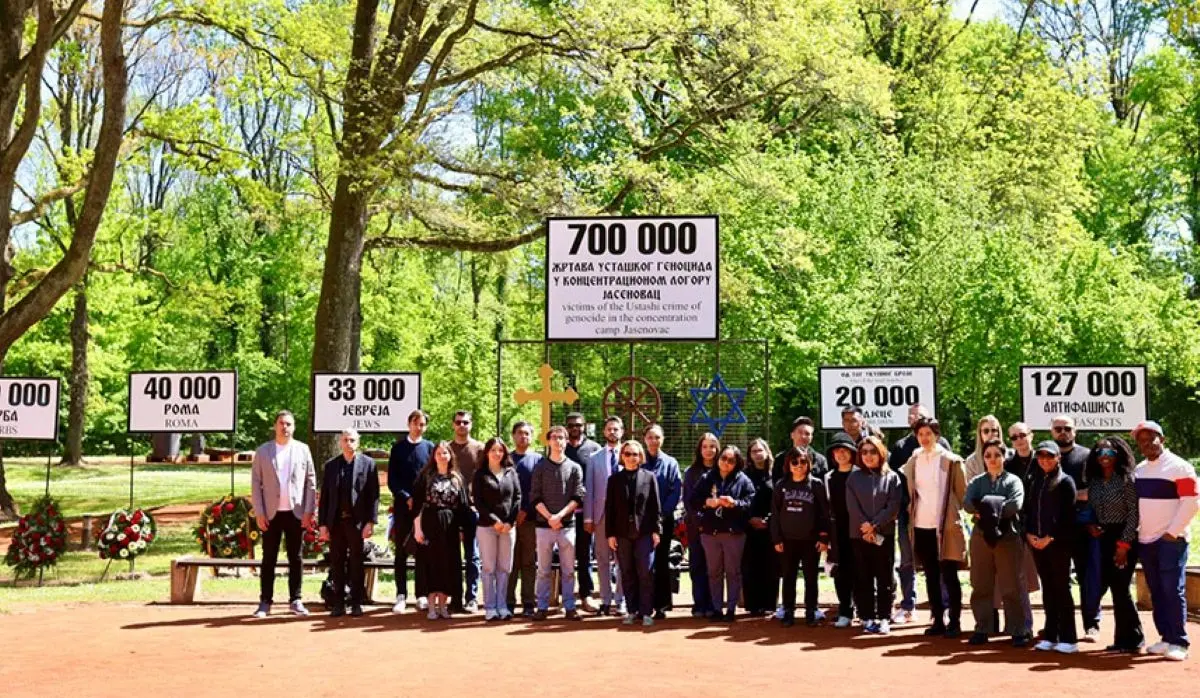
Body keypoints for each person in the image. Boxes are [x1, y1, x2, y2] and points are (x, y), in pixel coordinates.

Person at [1132, 420, 1198, 661]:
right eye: (1142, 440)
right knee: (1157, 591)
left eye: (1152, 438)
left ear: (1163, 439)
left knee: (1173, 589)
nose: (1148, 443)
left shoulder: (1180, 467)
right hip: (1146, 540)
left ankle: (1179, 641)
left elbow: (1191, 502)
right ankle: (1166, 638)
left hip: (1172, 540)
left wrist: (1172, 532)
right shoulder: (1139, 470)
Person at [901, 417, 967, 638]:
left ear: (937, 435)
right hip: (921, 526)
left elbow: (962, 494)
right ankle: (937, 619)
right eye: (920, 434)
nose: (924, 438)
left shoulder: (951, 460)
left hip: (945, 527)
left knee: (949, 574)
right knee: (930, 574)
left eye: (928, 433)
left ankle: (955, 621)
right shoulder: (914, 460)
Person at [250, 410, 317, 618]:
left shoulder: (303, 450)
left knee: (296, 557)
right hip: (271, 513)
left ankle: (295, 599)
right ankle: (265, 602)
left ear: (294, 427)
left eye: (288, 424)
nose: (284, 427)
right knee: (268, 557)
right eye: (281, 423)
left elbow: (311, 482)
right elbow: (255, 483)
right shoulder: (262, 452)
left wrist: (309, 511)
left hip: (296, 513)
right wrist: (259, 512)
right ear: (275, 426)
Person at [888, 404, 950, 625]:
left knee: (941, 561)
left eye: (921, 416)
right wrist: (900, 507)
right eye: (912, 417)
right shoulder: (901, 447)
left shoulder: (943, 447)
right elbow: (893, 481)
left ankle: (943, 607)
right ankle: (908, 606)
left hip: (938, 516)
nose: (916, 420)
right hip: (909, 514)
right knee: (906, 561)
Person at [964, 439, 1030, 647]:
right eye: (988, 455)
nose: (992, 459)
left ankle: (1018, 629)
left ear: (1004, 457)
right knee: (980, 583)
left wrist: (984, 507)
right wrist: (994, 505)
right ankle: (983, 627)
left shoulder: (1013, 481)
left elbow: (1015, 505)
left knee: (1011, 584)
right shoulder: (977, 482)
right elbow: (967, 504)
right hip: (981, 537)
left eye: (997, 455)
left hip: (1007, 536)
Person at [1084, 435, 1143, 652]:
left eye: (1109, 452)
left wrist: (1124, 545)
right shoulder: (1096, 481)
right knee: (1115, 589)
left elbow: (1134, 514)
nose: (1104, 457)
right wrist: (1092, 525)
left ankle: (1135, 638)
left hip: (1123, 537)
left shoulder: (1126, 479)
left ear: (1118, 455)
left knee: (1121, 588)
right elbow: (1092, 509)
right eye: (1100, 452)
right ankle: (1122, 640)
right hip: (1103, 537)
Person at [1023, 440, 1079, 653]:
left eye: (1050, 456)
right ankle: (1051, 635)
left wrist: (1050, 537)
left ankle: (1069, 639)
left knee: (1061, 589)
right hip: (1036, 544)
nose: (1045, 460)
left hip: (1058, 544)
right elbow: (1028, 510)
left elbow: (1067, 516)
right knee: (1048, 589)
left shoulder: (1066, 482)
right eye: (1041, 456)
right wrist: (1029, 534)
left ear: (1058, 458)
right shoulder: (1034, 481)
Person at [318, 428, 379, 617]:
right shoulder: (331, 466)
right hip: (336, 522)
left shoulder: (368, 464)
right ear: (340, 442)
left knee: (356, 563)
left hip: (357, 522)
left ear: (358, 442)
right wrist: (322, 525)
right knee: (337, 563)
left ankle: (356, 602)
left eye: (352, 440)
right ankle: (338, 603)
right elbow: (325, 498)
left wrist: (371, 521)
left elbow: (374, 496)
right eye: (345, 440)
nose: (348, 443)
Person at [690, 445, 756, 621]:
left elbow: (750, 503)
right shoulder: (707, 478)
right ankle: (717, 608)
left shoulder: (743, 480)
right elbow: (692, 500)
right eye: (723, 458)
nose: (726, 463)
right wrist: (707, 502)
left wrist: (734, 503)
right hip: (710, 533)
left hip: (734, 533)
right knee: (713, 572)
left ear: (737, 463)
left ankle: (731, 609)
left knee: (733, 572)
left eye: (731, 460)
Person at [846, 435, 903, 635]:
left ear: (880, 453)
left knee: (884, 578)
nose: (868, 456)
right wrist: (865, 526)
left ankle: (884, 617)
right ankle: (867, 617)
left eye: (872, 451)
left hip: (884, 535)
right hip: (859, 535)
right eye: (864, 452)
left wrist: (875, 525)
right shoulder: (853, 478)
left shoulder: (892, 477)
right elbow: (852, 506)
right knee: (863, 577)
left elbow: (893, 506)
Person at [1051, 414, 1100, 639]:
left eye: (1067, 428)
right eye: (1058, 428)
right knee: (1057, 579)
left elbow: (1095, 491)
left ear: (1075, 431)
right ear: (1051, 432)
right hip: (1054, 528)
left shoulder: (1088, 456)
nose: (1063, 432)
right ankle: (1059, 624)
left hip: (1082, 525)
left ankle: (1092, 624)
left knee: (1086, 576)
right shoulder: (1045, 456)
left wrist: (1067, 496)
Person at [531, 425, 586, 621]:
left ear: (566, 441)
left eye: (561, 437)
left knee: (569, 570)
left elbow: (578, 496)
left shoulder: (574, 468)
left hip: (567, 526)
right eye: (554, 437)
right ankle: (542, 607)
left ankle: (570, 606)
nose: (558, 441)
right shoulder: (540, 467)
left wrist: (559, 517)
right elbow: (534, 497)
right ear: (548, 441)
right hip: (543, 526)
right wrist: (549, 518)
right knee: (543, 570)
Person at [606, 439, 662, 626]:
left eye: (635, 454)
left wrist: (656, 530)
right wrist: (610, 534)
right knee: (627, 572)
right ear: (622, 456)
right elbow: (610, 509)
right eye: (627, 454)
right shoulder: (614, 480)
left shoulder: (649, 477)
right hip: (622, 534)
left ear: (641, 457)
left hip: (644, 532)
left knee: (645, 572)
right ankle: (632, 610)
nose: (631, 457)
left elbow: (655, 507)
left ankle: (646, 611)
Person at [771, 447, 830, 627]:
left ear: (809, 464)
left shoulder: (816, 485)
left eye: (803, 462)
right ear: (788, 464)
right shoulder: (781, 485)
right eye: (794, 462)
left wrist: (823, 538)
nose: (798, 466)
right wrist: (777, 538)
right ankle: (788, 610)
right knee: (788, 577)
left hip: (810, 540)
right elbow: (775, 513)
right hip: (788, 540)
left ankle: (811, 610)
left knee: (811, 578)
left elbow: (824, 513)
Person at [413, 441, 471, 620]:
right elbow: (417, 506)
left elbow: (463, 507)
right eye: (438, 453)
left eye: (445, 453)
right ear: (434, 456)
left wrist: (462, 529)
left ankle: (443, 605)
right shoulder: (426, 476)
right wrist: (417, 529)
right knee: (431, 564)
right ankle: (431, 605)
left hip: (451, 526)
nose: (442, 456)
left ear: (450, 456)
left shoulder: (457, 478)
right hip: (430, 523)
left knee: (448, 564)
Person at [388, 409, 434, 614]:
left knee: (423, 549)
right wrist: (406, 497)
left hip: (423, 508)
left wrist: (421, 500)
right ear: (409, 424)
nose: (419, 427)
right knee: (401, 551)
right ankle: (401, 595)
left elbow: (432, 477)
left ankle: (422, 594)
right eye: (416, 423)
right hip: (402, 506)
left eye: (422, 424)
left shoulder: (430, 448)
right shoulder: (397, 448)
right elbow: (392, 480)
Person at [473, 436, 521, 621]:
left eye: (500, 450)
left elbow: (517, 498)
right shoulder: (480, 474)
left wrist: (510, 522)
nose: (497, 453)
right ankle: (490, 607)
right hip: (487, 527)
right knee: (488, 568)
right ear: (487, 452)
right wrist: (494, 521)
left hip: (508, 528)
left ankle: (502, 606)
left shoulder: (511, 472)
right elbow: (478, 502)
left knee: (504, 568)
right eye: (493, 450)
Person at [583, 416, 625, 615]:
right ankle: (606, 600)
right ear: (604, 432)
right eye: (609, 429)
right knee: (601, 558)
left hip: (624, 518)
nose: (612, 432)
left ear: (622, 432)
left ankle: (621, 600)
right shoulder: (594, 458)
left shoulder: (631, 454)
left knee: (622, 558)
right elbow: (589, 489)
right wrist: (588, 518)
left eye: (616, 429)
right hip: (601, 516)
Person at [642, 424, 682, 619]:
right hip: (641, 522)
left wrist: (663, 514)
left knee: (661, 561)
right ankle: (643, 604)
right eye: (650, 437)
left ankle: (662, 605)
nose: (653, 441)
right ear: (644, 439)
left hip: (664, 521)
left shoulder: (671, 463)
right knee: (643, 562)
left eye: (657, 437)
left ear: (662, 439)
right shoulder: (637, 460)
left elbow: (676, 490)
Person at [449, 410, 484, 613]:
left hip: (472, 509)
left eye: (466, 422)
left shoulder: (479, 449)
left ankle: (471, 598)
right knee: (452, 556)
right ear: (453, 425)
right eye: (458, 422)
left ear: (471, 425)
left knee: (472, 556)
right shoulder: (447, 448)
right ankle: (455, 597)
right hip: (450, 510)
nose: (462, 425)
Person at [565, 412, 601, 610]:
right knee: (564, 555)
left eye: (578, 425)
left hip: (586, 514)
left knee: (585, 555)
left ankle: (587, 595)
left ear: (584, 426)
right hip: (564, 513)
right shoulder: (561, 448)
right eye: (570, 425)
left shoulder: (594, 449)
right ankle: (566, 597)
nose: (574, 428)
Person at [682, 433, 720, 617]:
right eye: (705, 446)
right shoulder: (691, 472)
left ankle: (714, 604)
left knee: (714, 568)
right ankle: (699, 604)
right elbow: (688, 501)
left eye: (712, 446)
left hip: (718, 528)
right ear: (699, 449)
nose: (708, 450)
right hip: (696, 527)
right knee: (697, 565)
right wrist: (699, 522)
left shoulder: (723, 470)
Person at [506, 421, 541, 617]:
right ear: (513, 436)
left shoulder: (538, 460)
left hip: (530, 519)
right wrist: (512, 514)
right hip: (508, 521)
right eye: (519, 433)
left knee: (528, 562)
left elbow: (537, 489)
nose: (523, 437)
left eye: (527, 434)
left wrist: (525, 510)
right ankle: (508, 602)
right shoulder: (505, 459)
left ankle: (529, 602)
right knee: (510, 562)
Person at [826, 432, 859, 628]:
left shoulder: (860, 475)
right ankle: (845, 610)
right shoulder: (828, 477)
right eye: (837, 450)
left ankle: (864, 610)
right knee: (840, 571)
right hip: (837, 532)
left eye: (844, 450)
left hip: (859, 530)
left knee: (861, 571)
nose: (840, 454)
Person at [743, 438, 777, 616]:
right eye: (754, 451)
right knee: (750, 566)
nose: (757, 454)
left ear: (767, 452)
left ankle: (770, 604)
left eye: (760, 450)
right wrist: (750, 519)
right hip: (749, 528)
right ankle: (753, 605)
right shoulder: (743, 475)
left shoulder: (775, 474)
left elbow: (779, 502)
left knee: (770, 567)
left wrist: (767, 520)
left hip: (771, 528)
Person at [772, 416, 829, 483]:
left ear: (811, 438)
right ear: (792, 435)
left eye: (807, 434)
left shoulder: (820, 460)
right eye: (800, 432)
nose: (803, 436)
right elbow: (776, 485)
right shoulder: (780, 458)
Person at [963, 416, 1006, 482]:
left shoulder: (1010, 456)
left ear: (999, 432)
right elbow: (970, 489)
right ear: (980, 434)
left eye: (994, 430)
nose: (990, 434)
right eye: (986, 431)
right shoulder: (971, 462)